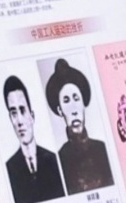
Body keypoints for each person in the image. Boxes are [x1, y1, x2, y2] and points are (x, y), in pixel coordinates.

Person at [49, 59, 114, 196]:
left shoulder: (102, 149)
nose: (74, 110)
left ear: (83, 103)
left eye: (76, 99)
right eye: (66, 101)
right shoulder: (60, 159)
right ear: (60, 110)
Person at [0, 75, 64, 203]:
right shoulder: (8, 169)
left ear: (32, 116)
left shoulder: (54, 161)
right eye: (13, 113)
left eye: (22, 111)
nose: (19, 121)